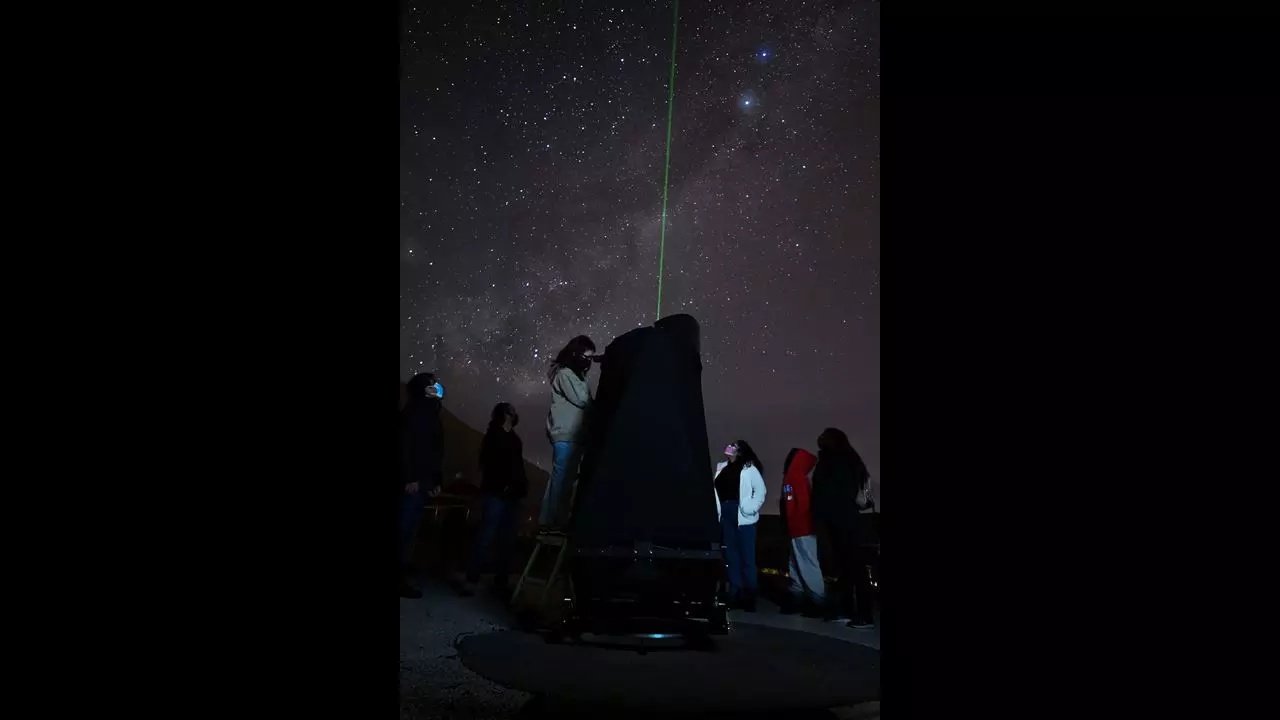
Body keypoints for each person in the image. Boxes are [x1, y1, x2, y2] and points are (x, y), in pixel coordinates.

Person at [460, 402, 528, 596]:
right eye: (511, 411)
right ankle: (471, 579)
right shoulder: (493, 437)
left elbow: (519, 468)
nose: (514, 413)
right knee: (486, 536)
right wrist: (502, 485)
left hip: (512, 496)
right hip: (496, 494)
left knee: (507, 539)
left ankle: (501, 579)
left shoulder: (515, 440)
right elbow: (488, 464)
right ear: (504, 415)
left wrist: (521, 488)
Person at [811, 427, 875, 628]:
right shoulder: (842, 459)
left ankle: (865, 614)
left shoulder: (840, 461)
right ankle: (847, 610)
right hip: (839, 519)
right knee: (844, 566)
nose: (821, 438)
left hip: (844, 520)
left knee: (854, 566)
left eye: (825, 436)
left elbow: (836, 491)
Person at [541, 335, 596, 530]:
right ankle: (551, 522)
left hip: (573, 435)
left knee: (565, 480)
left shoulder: (575, 375)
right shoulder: (566, 374)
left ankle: (554, 520)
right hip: (566, 435)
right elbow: (582, 399)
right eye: (587, 357)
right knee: (562, 480)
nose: (589, 362)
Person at [400, 372, 445, 599]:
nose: (436, 386)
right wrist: (409, 478)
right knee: (403, 531)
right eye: (431, 384)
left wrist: (435, 480)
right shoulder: (413, 412)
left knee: (409, 532)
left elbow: (436, 451)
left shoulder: (432, 413)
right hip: (411, 483)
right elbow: (405, 447)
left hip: (423, 482)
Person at [714, 440, 767, 611]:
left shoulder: (749, 468)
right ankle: (735, 593)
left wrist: (750, 507)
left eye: (733, 446)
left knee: (747, 558)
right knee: (731, 556)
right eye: (729, 444)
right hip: (726, 514)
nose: (729, 447)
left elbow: (760, 491)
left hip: (742, 515)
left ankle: (749, 596)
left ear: (740, 451)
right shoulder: (721, 467)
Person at [779, 447, 826, 616]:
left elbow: (798, 505)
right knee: (799, 563)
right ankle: (806, 599)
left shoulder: (793, 477)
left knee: (806, 564)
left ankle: (817, 600)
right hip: (803, 528)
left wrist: (793, 524)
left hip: (800, 529)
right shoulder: (801, 477)